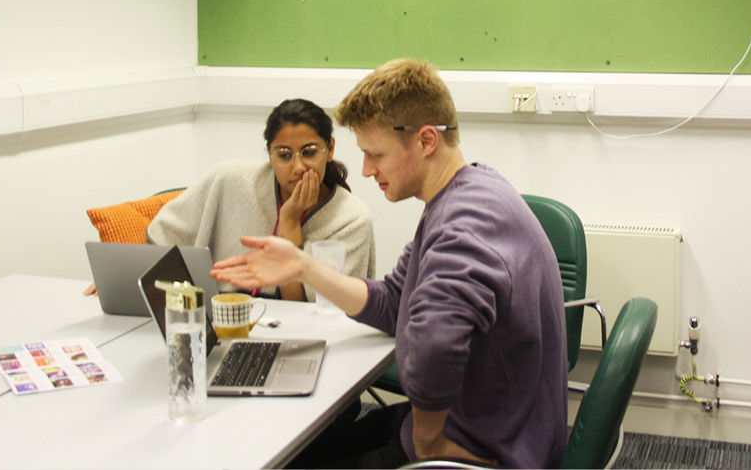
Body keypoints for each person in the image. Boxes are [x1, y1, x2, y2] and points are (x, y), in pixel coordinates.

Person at [211, 59, 568, 469]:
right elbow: (396, 299)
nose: (365, 170)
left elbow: (435, 348)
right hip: (487, 423)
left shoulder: (464, 226)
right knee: (309, 449)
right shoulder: (468, 192)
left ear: (426, 140)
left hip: (484, 450)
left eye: (375, 154)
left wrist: (428, 442)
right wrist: (303, 268)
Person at [142, 98, 375, 301]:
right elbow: (158, 243)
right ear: (270, 155)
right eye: (284, 155)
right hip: (222, 326)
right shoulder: (229, 179)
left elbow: (300, 312)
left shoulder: (352, 220)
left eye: (310, 152)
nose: (298, 167)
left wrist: (290, 222)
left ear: (330, 149)